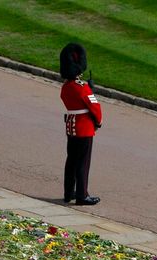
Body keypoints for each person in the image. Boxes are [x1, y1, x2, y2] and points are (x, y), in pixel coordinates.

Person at [59, 43, 102, 205]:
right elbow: (95, 107)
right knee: (83, 162)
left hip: (71, 127)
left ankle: (69, 192)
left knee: (71, 160)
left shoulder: (65, 87)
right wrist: (98, 121)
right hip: (84, 127)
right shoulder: (82, 88)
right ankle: (82, 195)